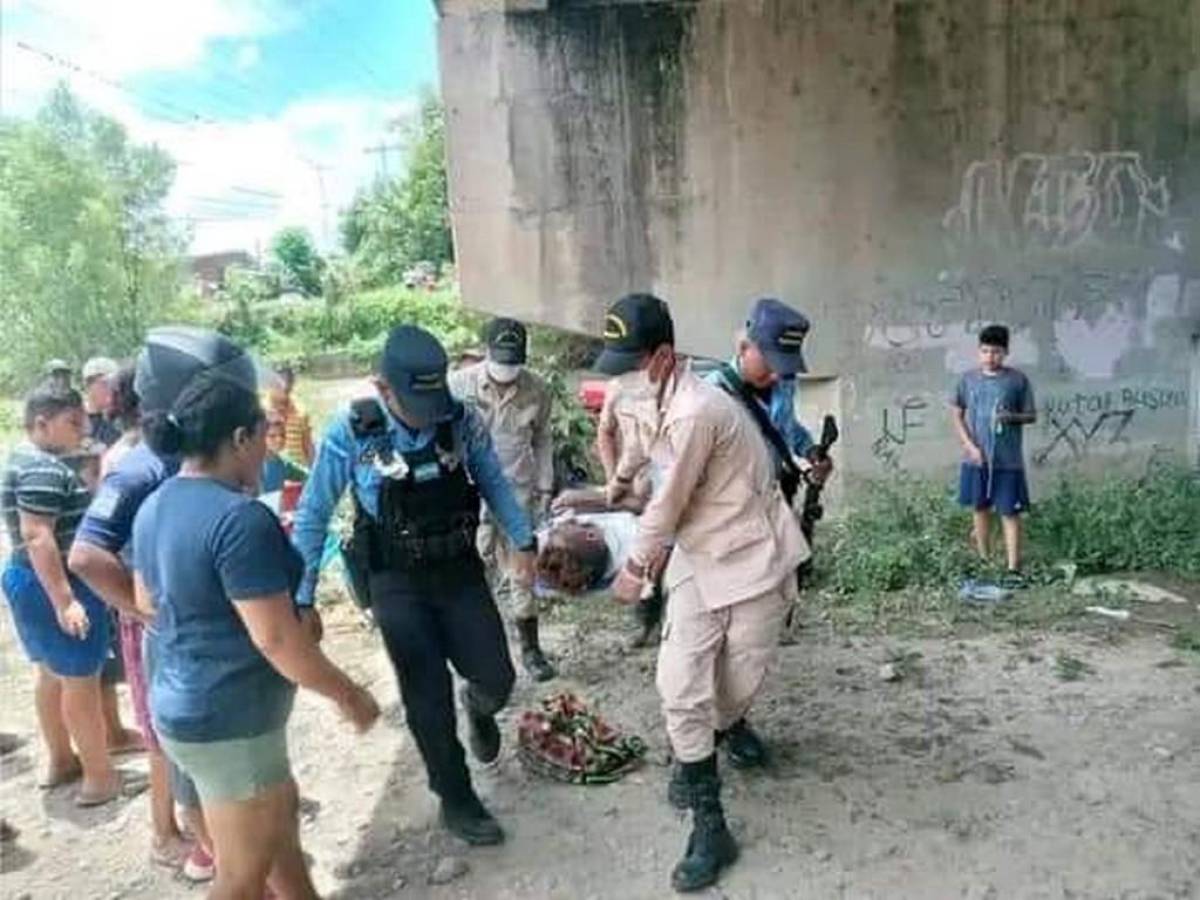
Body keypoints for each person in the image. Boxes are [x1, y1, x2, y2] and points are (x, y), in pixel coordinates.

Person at [133, 363, 379, 900]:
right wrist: (349, 694)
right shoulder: (238, 519)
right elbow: (276, 639)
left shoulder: (155, 505)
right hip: (230, 724)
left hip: (184, 707)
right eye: (264, 436)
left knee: (278, 827)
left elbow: (145, 602)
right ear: (239, 438)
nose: (269, 450)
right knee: (241, 879)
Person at [293, 325, 537, 847]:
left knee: (496, 674)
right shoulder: (352, 433)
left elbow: (491, 477)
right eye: (414, 399)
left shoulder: (459, 417)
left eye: (434, 395)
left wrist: (523, 537)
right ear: (383, 388)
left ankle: (480, 708)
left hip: (458, 571)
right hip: (396, 580)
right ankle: (456, 797)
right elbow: (314, 511)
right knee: (426, 698)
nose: (429, 410)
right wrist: (303, 592)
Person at [595, 293, 807, 893]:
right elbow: (642, 442)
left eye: (631, 361)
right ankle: (709, 822)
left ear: (663, 357)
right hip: (696, 557)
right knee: (679, 683)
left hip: (754, 559)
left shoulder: (698, 410)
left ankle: (713, 738)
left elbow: (668, 502)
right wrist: (620, 476)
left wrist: (635, 568)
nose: (622, 376)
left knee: (733, 691)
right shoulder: (649, 392)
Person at [71, 328, 252, 876]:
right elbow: (85, 554)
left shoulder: (192, 455)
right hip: (168, 626)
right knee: (175, 744)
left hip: (205, 620)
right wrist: (144, 608)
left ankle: (226, 847)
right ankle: (204, 846)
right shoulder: (141, 465)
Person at [1, 385, 122, 806]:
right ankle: (99, 778)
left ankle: (61, 760)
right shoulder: (44, 470)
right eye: (73, 422)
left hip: (23, 578)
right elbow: (38, 536)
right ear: (41, 423)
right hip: (52, 582)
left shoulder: (19, 458)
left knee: (50, 674)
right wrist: (65, 600)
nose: (82, 429)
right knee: (80, 681)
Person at [449, 317, 557, 681]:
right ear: (487, 352)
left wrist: (545, 485)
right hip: (469, 491)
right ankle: (473, 645)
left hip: (518, 492)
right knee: (472, 566)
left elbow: (542, 439)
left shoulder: (538, 390)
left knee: (522, 571)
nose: (507, 371)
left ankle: (530, 649)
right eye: (501, 362)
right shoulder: (459, 385)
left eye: (514, 363)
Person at [950, 323, 1037, 581]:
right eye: (986, 351)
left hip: (1007, 461)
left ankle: (1013, 568)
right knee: (979, 508)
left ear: (1006, 352)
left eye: (996, 352)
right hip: (976, 460)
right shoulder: (967, 380)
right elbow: (956, 415)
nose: (991, 357)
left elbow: (1031, 415)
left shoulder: (1017, 380)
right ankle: (984, 561)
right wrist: (970, 446)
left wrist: (1012, 417)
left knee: (1009, 512)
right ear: (979, 352)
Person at [264, 364, 314, 466]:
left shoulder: (300, 412)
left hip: (299, 474)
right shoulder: (259, 413)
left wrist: (313, 473)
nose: (286, 386)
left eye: (289, 382)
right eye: (280, 383)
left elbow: (308, 446)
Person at [260, 412, 309, 495]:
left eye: (282, 435)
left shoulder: (283, 464)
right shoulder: (255, 465)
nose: (279, 440)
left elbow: (307, 476)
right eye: (272, 436)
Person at [82, 357, 122, 449]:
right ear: (88, 386)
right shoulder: (76, 421)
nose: (112, 388)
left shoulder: (122, 418)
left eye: (115, 383)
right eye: (105, 383)